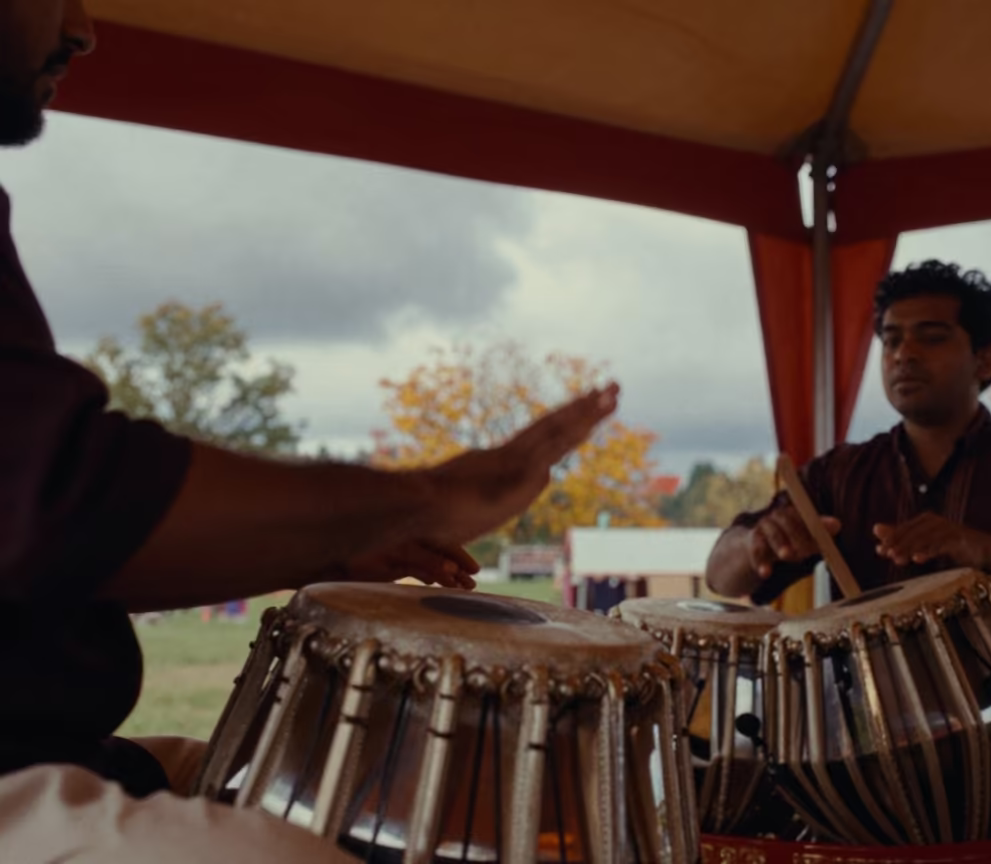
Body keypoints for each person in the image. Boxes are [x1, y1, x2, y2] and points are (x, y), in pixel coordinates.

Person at [0, 1, 620, 861]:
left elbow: (33, 535)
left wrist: (324, 552)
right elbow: (57, 497)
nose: (83, 29)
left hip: (43, 755)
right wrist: (426, 497)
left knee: (319, 790)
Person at [707, 260, 991, 864]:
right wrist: (760, 540)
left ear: (987, 358)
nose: (904, 353)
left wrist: (984, 551)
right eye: (891, 338)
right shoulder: (841, 474)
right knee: (710, 777)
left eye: (931, 336)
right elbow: (722, 575)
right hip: (849, 749)